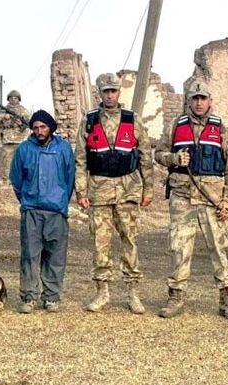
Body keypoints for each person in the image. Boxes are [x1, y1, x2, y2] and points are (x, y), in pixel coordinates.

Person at [153, 81, 228, 320]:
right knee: (179, 247)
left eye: (203, 98)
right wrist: (173, 159)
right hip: (182, 197)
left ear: (210, 100)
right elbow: (158, 154)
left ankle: (227, 298)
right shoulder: (176, 125)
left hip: (212, 200)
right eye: (195, 98)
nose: (199, 102)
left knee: (218, 248)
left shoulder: (221, 128)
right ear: (189, 101)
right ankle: (176, 296)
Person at [75, 72, 153, 314]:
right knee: (100, 243)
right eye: (105, 91)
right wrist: (81, 191)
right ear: (99, 93)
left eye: (113, 91)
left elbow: (145, 156)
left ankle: (133, 292)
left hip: (128, 190)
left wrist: (148, 188)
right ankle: (102, 292)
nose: (109, 95)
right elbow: (80, 159)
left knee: (130, 241)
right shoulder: (89, 121)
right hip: (99, 192)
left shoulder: (133, 119)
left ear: (119, 92)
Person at [9, 110, 75, 314]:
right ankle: (29, 296)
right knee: (30, 254)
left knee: (55, 255)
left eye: (43, 127)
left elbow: (70, 177)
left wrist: (61, 200)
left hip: (56, 210)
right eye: (35, 127)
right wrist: (27, 199)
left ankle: (51, 297)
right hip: (32, 210)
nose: (39, 131)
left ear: (50, 127)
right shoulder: (24, 149)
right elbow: (16, 179)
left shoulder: (63, 148)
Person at [0, 89, 30, 170]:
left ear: (19, 99)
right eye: (11, 98)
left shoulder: (24, 110)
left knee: (22, 164)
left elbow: (29, 124)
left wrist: (21, 124)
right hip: (7, 141)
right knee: (8, 165)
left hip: (21, 141)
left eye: (15, 98)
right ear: (8, 99)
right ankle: (8, 178)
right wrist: (3, 116)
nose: (13, 99)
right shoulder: (3, 110)